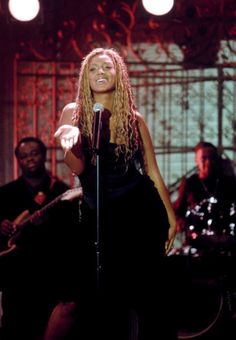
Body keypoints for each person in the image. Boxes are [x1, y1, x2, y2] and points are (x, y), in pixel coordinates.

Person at [52, 47, 177, 340]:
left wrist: (171, 218)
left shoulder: (134, 119)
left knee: (148, 297)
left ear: (118, 73)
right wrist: (68, 144)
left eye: (107, 67)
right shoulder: (73, 112)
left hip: (140, 212)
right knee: (88, 297)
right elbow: (79, 168)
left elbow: (152, 172)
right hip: (99, 215)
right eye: (93, 69)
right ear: (85, 76)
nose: (100, 73)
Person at [0, 136, 81, 340]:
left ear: (43, 156)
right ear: (18, 160)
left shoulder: (61, 192)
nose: (30, 159)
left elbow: (71, 235)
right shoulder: (5, 193)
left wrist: (46, 225)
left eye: (34, 154)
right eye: (24, 156)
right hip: (16, 275)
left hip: (48, 273)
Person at [173, 141, 236, 251]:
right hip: (197, 244)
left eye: (212, 158)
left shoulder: (228, 183)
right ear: (196, 160)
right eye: (204, 158)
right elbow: (178, 211)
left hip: (225, 244)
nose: (208, 162)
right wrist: (179, 222)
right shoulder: (190, 184)